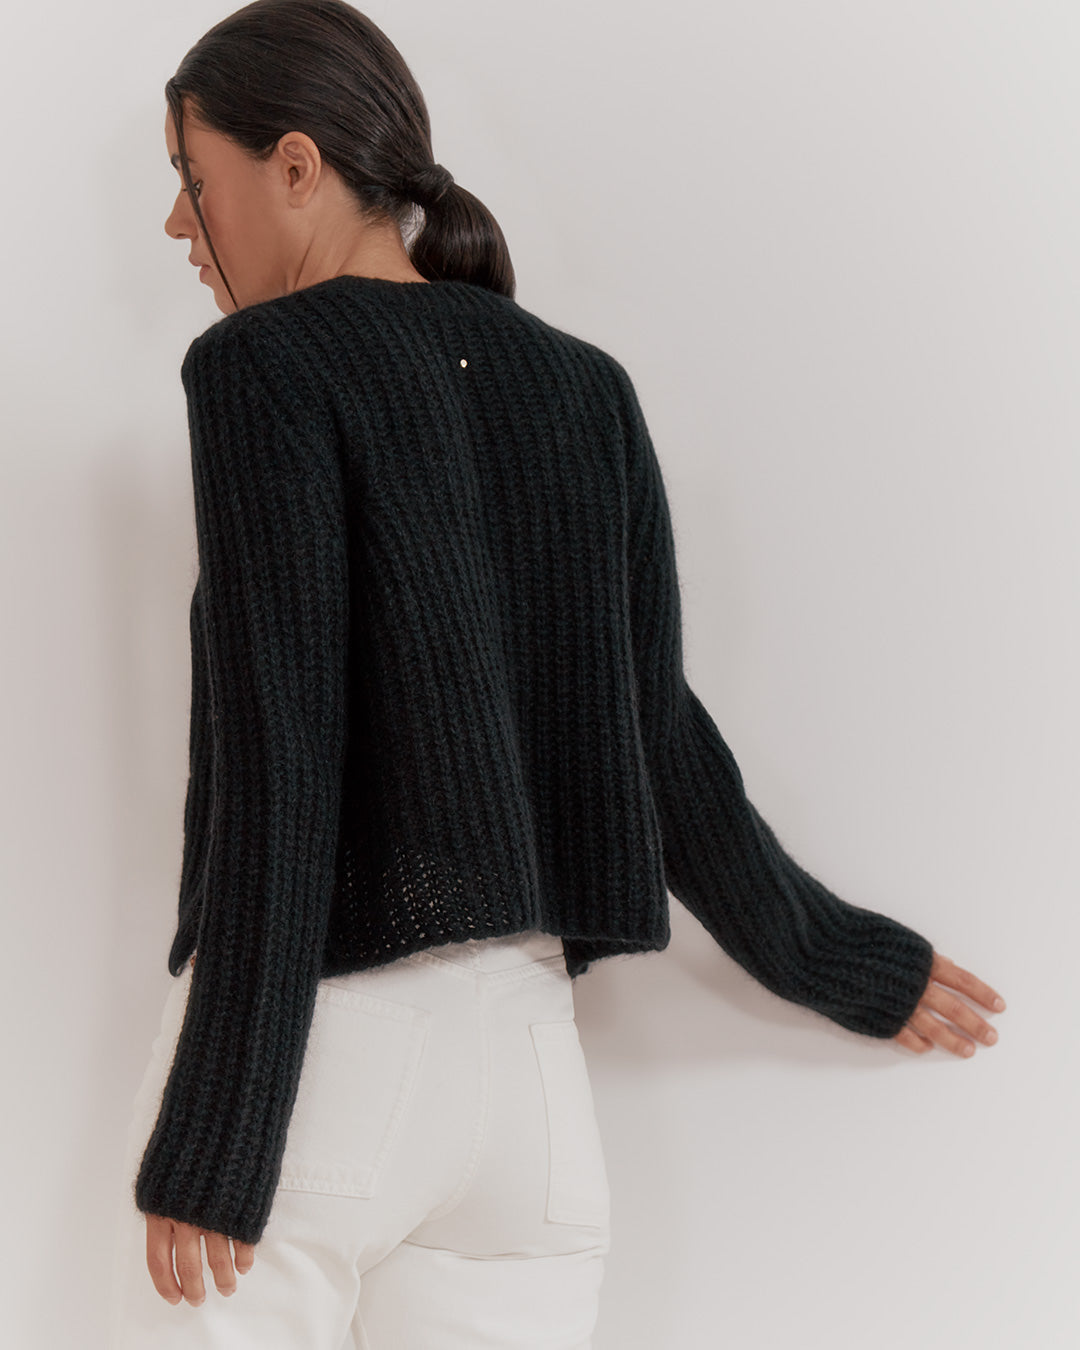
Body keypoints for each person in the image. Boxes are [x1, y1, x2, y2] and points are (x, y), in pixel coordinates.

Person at [108, 2, 1007, 1346]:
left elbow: (284, 755)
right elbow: (655, 733)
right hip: (527, 1093)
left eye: (191, 177)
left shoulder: (265, 368)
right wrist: (832, 955)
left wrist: (220, 1125)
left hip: (314, 1073)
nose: (180, 224)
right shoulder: (586, 389)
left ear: (295, 166)